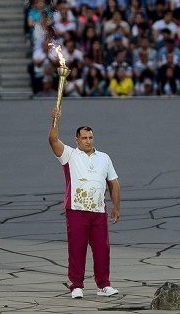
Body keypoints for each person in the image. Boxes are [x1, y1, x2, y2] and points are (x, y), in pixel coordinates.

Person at [48, 111, 120, 299]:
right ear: (77, 139)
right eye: (84, 138)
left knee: (102, 250)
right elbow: (53, 140)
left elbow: (113, 182)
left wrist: (116, 207)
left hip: (98, 210)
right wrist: (55, 119)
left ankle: (103, 285)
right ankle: (77, 285)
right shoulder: (70, 156)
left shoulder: (104, 157)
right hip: (77, 211)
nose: (88, 141)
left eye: (90, 138)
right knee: (77, 248)